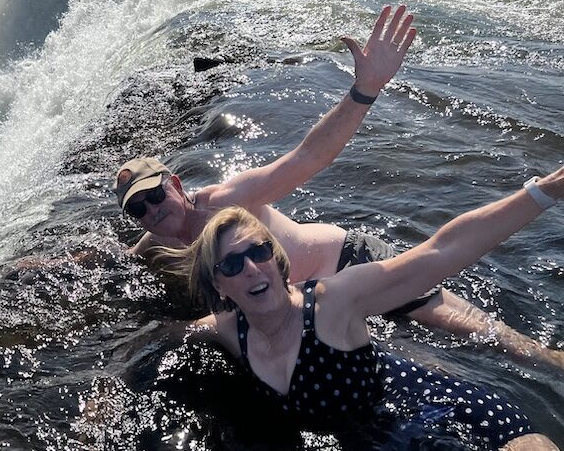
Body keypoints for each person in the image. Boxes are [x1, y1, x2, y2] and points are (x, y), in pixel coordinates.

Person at [116, 5, 564, 370]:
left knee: (476, 333)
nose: (153, 210)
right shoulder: (157, 238)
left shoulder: (230, 200)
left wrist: (364, 90)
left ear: (175, 184)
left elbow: (307, 158)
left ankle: (555, 362)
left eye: (156, 195)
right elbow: (114, 259)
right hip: (311, 312)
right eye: (139, 208)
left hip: (351, 265)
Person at [157, 168, 564, 449]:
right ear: (219, 285)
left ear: (276, 257)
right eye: (232, 263)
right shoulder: (227, 329)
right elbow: (162, 337)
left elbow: (443, 250)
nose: (251, 267)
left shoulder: (333, 301)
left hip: (431, 403)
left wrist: (545, 190)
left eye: (260, 251)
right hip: (375, 437)